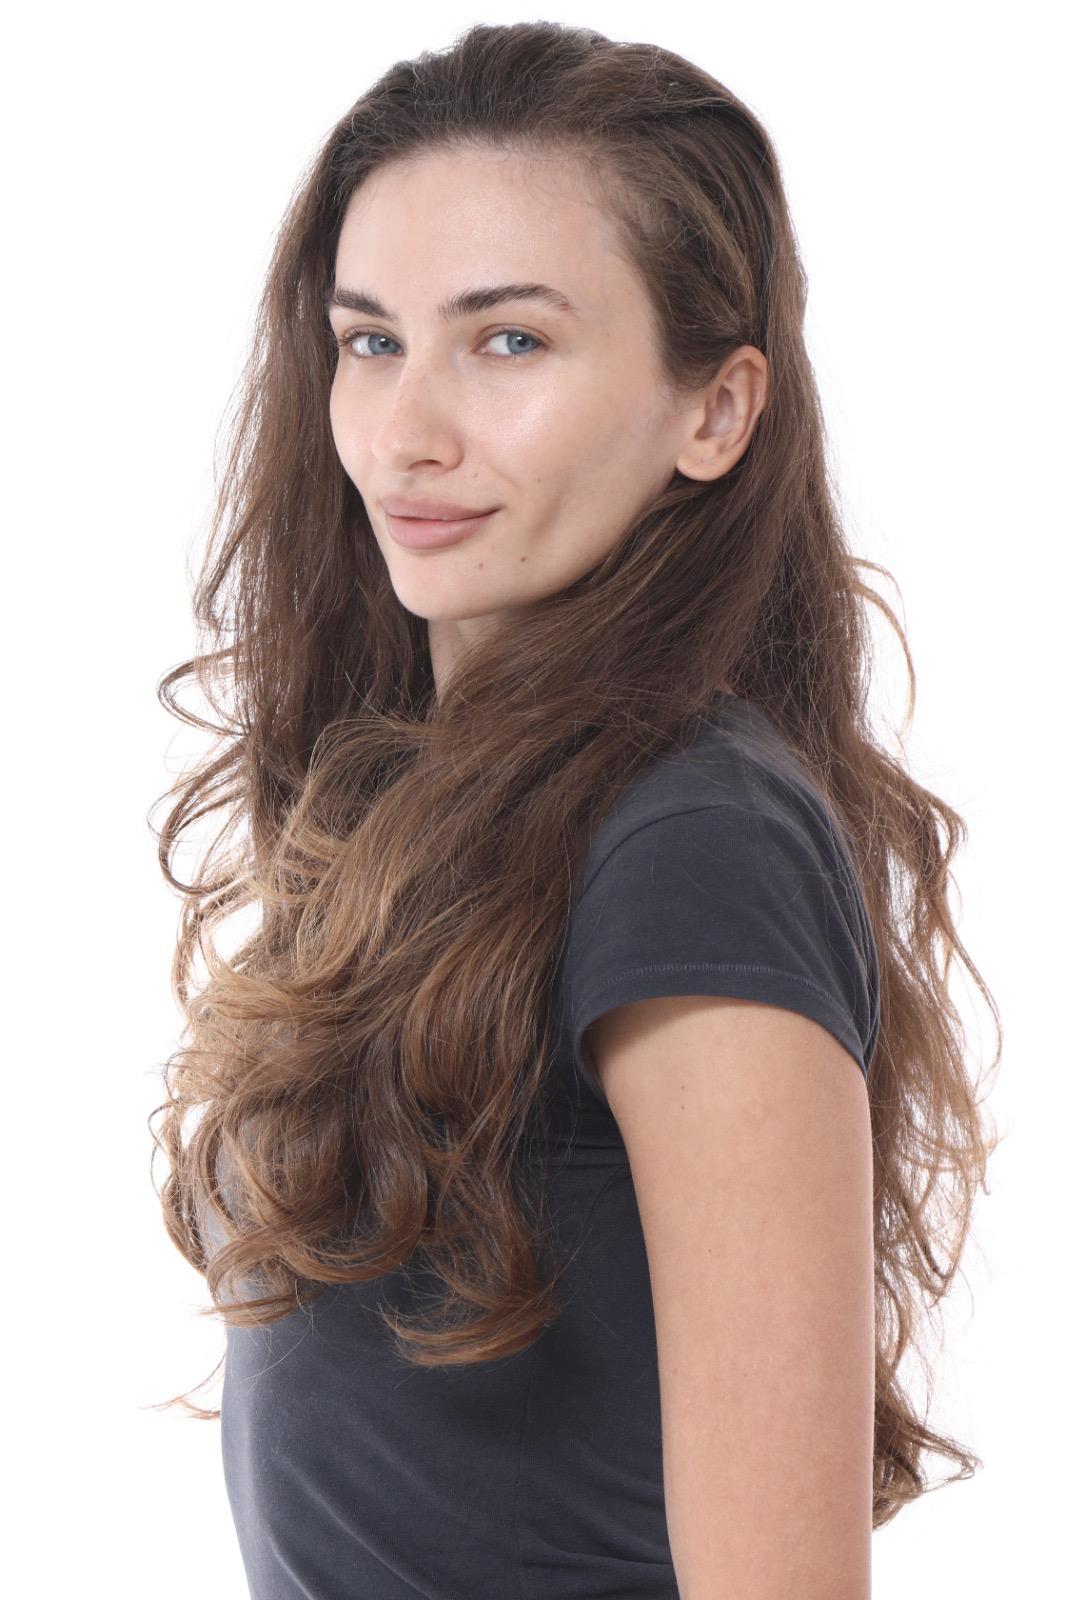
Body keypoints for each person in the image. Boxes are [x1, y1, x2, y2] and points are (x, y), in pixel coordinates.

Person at [150, 21, 1000, 1600]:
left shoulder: (694, 842)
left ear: (714, 412)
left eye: (509, 341)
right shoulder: (441, 809)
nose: (406, 433)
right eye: (369, 341)